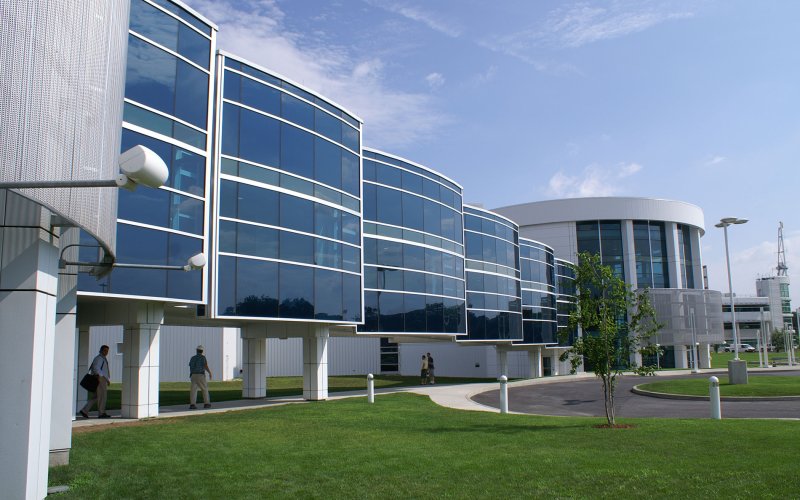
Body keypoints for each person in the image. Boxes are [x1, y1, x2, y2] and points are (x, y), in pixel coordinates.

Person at [79, 345, 111, 419]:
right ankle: (101, 413)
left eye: (107, 351)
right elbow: (96, 368)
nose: (106, 352)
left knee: (96, 396)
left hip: (101, 378)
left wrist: (107, 379)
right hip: (100, 379)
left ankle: (84, 410)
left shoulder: (102, 358)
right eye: (105, 350)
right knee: (102, 397)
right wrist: (101, 376)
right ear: (101, 350)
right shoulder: (99, 358)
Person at [189, 345, 213, 409]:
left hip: (193, 375)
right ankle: (207, 403)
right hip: (200, 375)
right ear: (202, 351)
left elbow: (190, 366)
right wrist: (210, 373)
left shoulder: (192, 358)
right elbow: (205, 366)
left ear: (196, 350)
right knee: (204, 389)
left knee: (193, 390)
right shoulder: (203, 357)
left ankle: (192, 404)